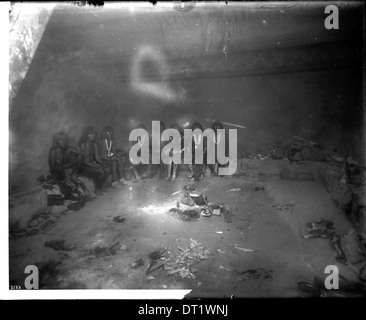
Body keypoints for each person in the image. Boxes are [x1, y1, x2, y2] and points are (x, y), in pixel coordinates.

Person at [78, 127, 110, 194]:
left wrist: (103, 165)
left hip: (91, 165)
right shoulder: (83, 145)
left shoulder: (94, 145)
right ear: (87, 135)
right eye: (92, 134)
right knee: (101, 172)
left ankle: (100, 187)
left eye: (94, 134)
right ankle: (97, 190)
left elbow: (97, 158)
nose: (94, 135)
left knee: (107, 170)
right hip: (83, 166)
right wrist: (92, 166)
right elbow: (82, 161)